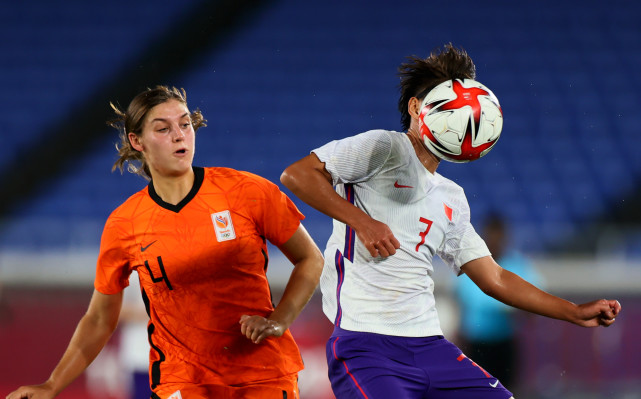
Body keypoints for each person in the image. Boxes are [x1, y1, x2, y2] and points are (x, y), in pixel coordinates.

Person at [280, 44, 621, 399]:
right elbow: (298, 175)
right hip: (366, 346)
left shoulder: (451, 197)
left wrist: (573, 312)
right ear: (416, 107)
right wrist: (362, 222)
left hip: (431, 346)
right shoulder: (383, 148)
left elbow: (494, 278)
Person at [7, 86, 324, 399]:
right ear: (137, 141)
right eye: (163, 128)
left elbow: (310, 259)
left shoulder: (246, 191)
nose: (179, 135)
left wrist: (280, 320)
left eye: (185, 124)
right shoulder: (125, 223)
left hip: (263, 375)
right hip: (182, 380)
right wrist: (51, 386)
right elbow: (100, 318)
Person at [454, 213, 542, 392]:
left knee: (505, 390)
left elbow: (533, 302)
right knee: (477, 392)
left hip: (505, 341)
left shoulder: (517, 264)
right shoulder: (471, 264)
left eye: (498, 235)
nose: (494, 239)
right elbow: (463, 301)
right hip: (476, 343)